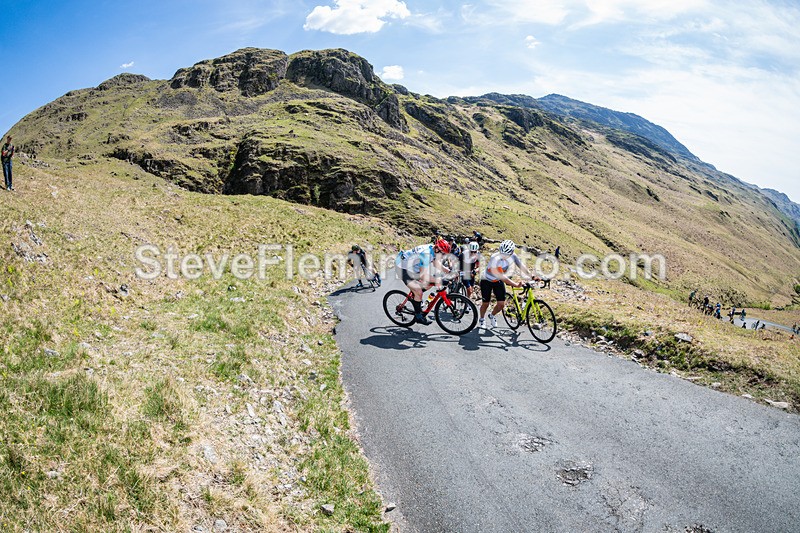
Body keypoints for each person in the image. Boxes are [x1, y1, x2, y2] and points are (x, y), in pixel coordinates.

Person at [479, 239, 533, 329]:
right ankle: (481, 319)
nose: (504, 256)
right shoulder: (494, 258)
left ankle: (492, 315)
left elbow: (521, 265)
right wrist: (516, 285)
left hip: (497, 281)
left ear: (511, 253)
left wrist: (531, 275)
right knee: (486, 303)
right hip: (486, 281)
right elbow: (503, 277)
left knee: (501, 305)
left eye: (507, 254)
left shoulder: (513, 255)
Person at [396, 238, 452, 325]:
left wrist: (448, 271)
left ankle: (416, 299)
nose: (444, 256)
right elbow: (423, 275)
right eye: (443, 253)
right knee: (419, 291)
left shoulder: (434, 250)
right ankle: (418, 316)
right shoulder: (426, 254)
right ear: (437, 249)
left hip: (413, 267)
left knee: (429, 284)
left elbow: (435, 263)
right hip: (402, 267)